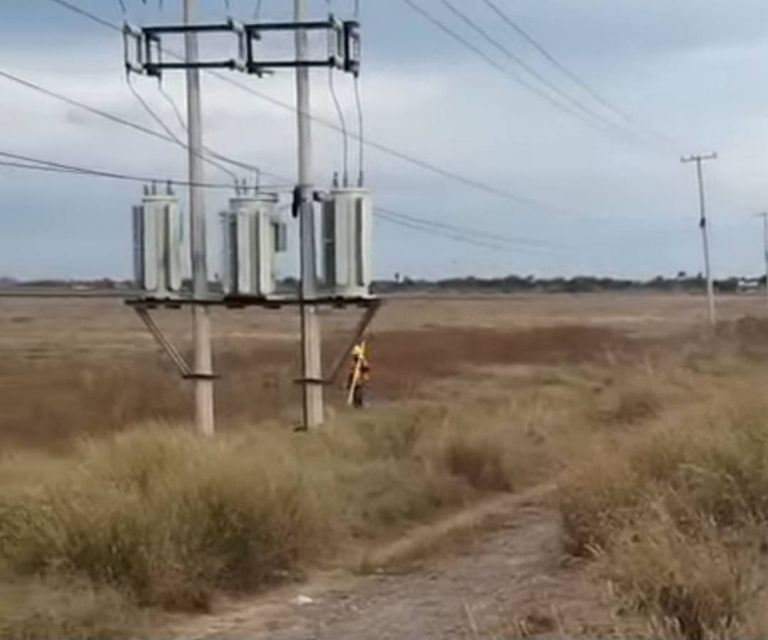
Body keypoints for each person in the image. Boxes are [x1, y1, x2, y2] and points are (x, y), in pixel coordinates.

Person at [347, 342, 371, 408]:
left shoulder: (362, 361)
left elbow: (366, 368)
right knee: (355, 393)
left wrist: (361, 365)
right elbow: (351, 372)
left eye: (355, 355)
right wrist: (350, 381)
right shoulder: (353, 363)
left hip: (361, 380)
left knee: (360, 393)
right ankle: (356, 404)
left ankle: (361, 404)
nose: (353, 356)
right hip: (355, 380)